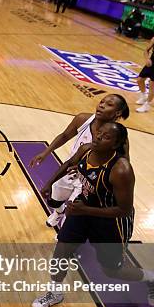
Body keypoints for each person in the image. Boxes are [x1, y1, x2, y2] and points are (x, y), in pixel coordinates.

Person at [32, 123, 154, 307]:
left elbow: (124, 210)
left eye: (106, 136)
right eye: (99, 133)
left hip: (111, 221)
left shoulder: (121, 170)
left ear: (116, 144)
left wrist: (84, 210)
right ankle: (55, 292)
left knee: (112, 270)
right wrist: (49, 183)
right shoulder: (86, 150)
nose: (98, 137)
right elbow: (69, 164)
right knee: (61, 251)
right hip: (83, 209)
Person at [29, 94, 130, 228]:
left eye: (109, 104)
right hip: (68, 169)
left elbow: (123, 163)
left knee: (73, 213)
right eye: (101, 101)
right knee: (53, 201)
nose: (101, 105)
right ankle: (58, 213)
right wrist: (46, 152)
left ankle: (65, 237)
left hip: (90, 180)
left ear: (117, 113)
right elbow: (65, 135)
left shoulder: (117, 136)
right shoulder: (83, 119)